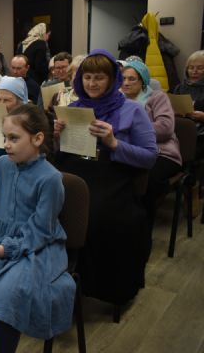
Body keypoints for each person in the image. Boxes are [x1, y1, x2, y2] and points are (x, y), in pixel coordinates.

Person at [0, 104, 75, 353]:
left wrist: (0, 250)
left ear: (37, 139)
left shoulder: (50, 179)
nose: (6, 144)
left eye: (14, 138)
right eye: (4, 138)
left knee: (7, 296)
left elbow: (41, 232)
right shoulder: (3, 164)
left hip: (37, 249)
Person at [54, 49, 157, 307]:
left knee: (97, 215)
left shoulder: (132, 110)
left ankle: (94, 285)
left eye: (99, 77)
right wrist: (58, 137)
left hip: (113, 175)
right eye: (87, 77)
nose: (92, 83)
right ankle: (54, 278)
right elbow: (65, 153)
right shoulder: (75, 108)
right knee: (45, 204)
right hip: (76, 170)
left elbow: (149, 157)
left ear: (112, 80)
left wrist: (113, 143)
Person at [121, 60, 181, 255]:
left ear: (143, 81)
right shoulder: (118, 99)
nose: (126, 82)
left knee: (146, 180)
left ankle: (143, 236)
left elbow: (165, 128)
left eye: (132, 79)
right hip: (130, 150)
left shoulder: (157, 97)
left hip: (162, 152)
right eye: (123, 78)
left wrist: (132, 129)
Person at [171, 50, 204, 158]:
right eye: (191, 68)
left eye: (200, 68)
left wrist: (202, 117)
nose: (194, 71)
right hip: (178, 130)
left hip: (200, 134)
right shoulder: (179, 88)